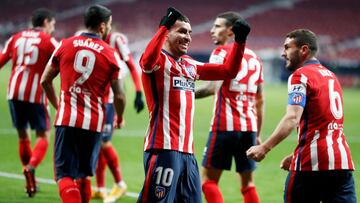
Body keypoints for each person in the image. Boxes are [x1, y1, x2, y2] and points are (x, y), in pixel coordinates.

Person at [137, 7, 251, 203]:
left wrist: (239, 42)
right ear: (166, 33)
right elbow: (146, 62)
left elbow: (227, 71)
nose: (188, 37)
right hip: (164, 149)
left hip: (188, 154)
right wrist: (164, 26)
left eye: (189, 32)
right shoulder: (159, 61)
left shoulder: (189, 64)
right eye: (181, 31)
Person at [246, 29, 356, 203]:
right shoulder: (331, 77)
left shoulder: (300, 76)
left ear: (303, 50)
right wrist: (294, 154)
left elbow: (292, 118)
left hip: (310, 164)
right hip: (341, 162)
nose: (283, 53)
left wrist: (264, 147)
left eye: (287, 47)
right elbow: (324, 123)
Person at [40, 4, 126, 203]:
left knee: (64, 176)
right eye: (110, 25)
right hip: (94, 123)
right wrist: (119, 117)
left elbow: (45, 80)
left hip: (67, 119)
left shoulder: (65, 44)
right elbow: (120, 95)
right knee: (84, 175)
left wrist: (58, 106)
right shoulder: (110, 53)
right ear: (103, 27)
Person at [195, 12, 263, 203]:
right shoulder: (255, 58)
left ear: (231, 32)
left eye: (217, 26)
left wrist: (184, 92)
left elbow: (211, 87)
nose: (212, 30)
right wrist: (257, 132)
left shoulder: (221, 52)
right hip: (249, 128)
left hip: (224, 126)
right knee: (248, 183)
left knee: (208, 180)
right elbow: (260, 99)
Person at [0, 8, 57, 197]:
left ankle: (29, 184)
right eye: (53, 25)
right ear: (47, 22)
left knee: (23, 136)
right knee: (43, 136)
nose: (53, 29)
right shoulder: (48, 41)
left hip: (13, 92)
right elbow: (62, 58)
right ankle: (31, 167)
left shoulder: (16, 37)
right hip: (35, 94)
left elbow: (1, 60)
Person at [90, 31, 145, 202]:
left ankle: (120, 184)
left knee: (104, 142)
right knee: (99, 144)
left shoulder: (116, 39)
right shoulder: (91, 40)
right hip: (95, 98)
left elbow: (131, 65)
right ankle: (100, 188)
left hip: (111, 98)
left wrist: (138, 92)